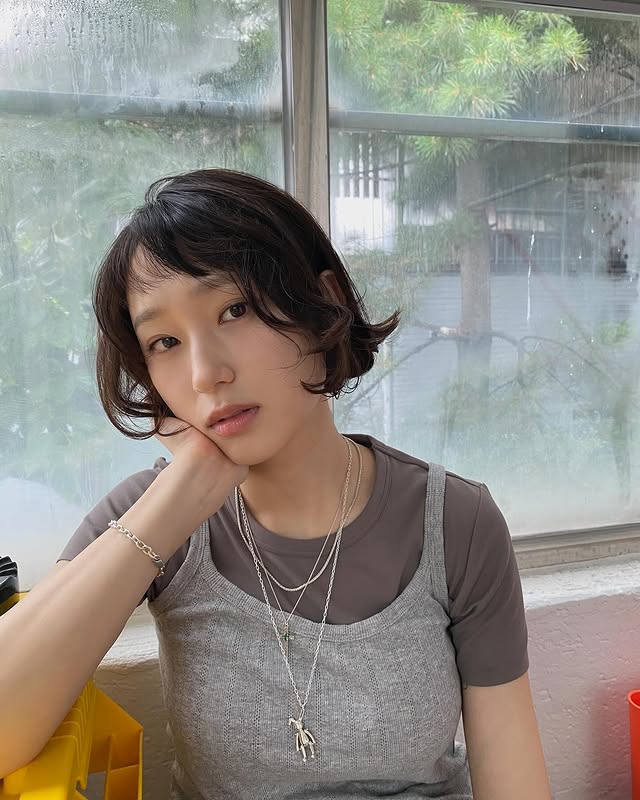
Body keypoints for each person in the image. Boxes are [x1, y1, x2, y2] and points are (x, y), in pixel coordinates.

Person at [0, 169, 551, 799]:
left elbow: (515, 784)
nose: (205, 373)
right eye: (165, 341)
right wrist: (184, 494)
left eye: (234, 309)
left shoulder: (455, 522)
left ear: (322, 303)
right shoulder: (148, 516)